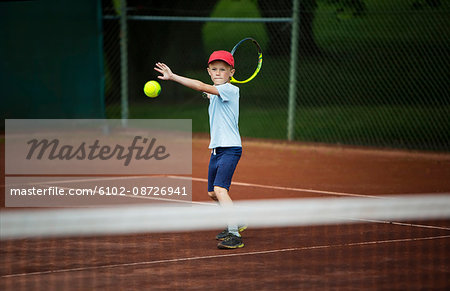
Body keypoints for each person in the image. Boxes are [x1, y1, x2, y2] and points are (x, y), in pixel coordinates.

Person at [154, 50, 246, 249]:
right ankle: (235, 221)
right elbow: (205, 90)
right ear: (209, 71)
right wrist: (206, 90)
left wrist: (173, 76)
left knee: (221, 190)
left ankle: (234, 235)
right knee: (213, 193)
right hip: (216, 150)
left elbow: (201, 86)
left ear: (232, 72)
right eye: (214, 69)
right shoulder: (214, 91)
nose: (218, 72)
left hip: (230, 149)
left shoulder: (231, 90)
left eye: (223, 69)